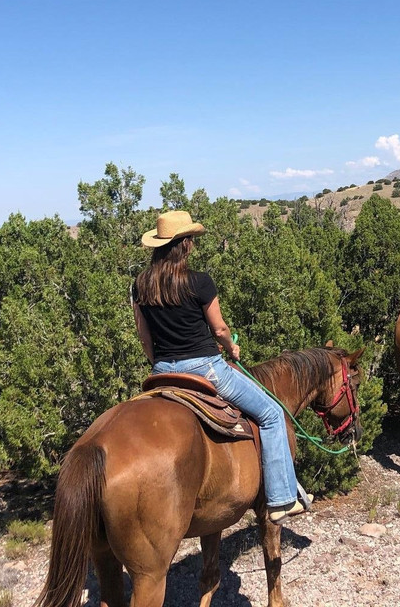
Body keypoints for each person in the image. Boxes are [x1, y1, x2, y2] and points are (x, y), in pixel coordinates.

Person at [132, 210, 310, 524]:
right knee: (271, 414)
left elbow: (145, 338)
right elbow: (219, 330)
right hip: (206, 369)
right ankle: (282, 498)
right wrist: (231, 348)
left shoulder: (141, 286)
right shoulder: (199, 282)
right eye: (190, 240)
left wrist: (160, 363)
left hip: (162, 373)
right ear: (184, 245)